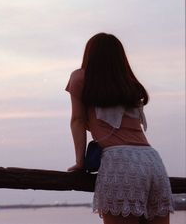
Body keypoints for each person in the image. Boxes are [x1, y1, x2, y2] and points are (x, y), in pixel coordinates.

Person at [65, 33, 174, 224]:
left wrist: (80, 162)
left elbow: (77, 120)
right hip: (153, 161)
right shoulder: (128, 84)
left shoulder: (81, 77)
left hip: (120, 162)